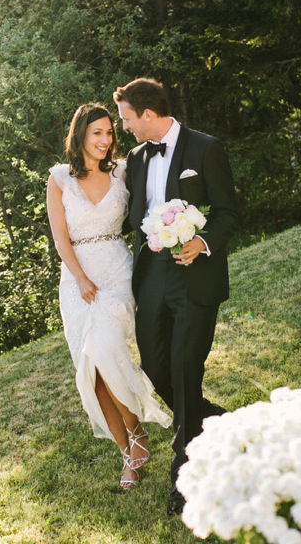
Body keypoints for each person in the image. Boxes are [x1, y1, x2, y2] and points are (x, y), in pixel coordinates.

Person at [113, 78, 239, 516]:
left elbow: (228, 211)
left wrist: (201, 242)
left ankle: (183, 476)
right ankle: (218, 423)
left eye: (128, 119)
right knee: (156, 368)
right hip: (151, 276)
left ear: (148, 114)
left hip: (195, 273)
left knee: (186, 369)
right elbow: (130, 213)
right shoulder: (135, 157)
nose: (125, 127)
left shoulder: (206, 148)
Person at [46, 102, 172, 490]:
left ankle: (135, 433)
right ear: (80, 134)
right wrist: (80, 279)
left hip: (117, 272)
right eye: (96, 133)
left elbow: (151, 202)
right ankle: (130, 450)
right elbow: (60, 238)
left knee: (104, 350)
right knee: (90, 368)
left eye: (108, 133)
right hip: (76, 279)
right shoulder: (59, 178)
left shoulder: (122, 171)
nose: (104, 140)